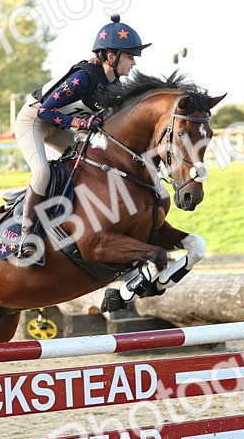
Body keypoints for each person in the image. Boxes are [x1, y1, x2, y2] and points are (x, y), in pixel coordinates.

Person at [13, 13, 150, 260]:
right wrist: (81, 122)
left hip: (59, 126)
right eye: (130, 57)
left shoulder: (115, 87)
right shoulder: (83, 77)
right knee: (42, 172)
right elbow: (45, 111)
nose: (134, 63)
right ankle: (27, 234)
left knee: (85, 166)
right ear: (111, 57)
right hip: (33, 121)